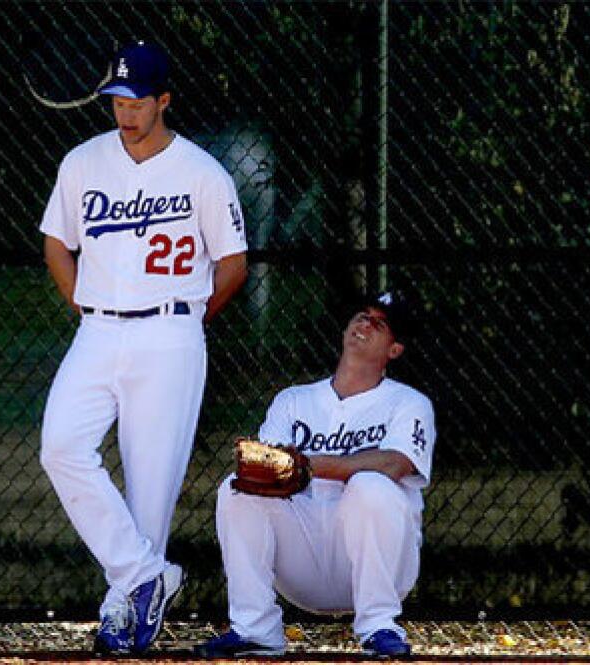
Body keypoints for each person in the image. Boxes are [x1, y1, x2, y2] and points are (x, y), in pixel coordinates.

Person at [37, 40, 248, 655]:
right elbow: (57, 242)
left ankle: (124, 608)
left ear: (163, 101)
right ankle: (144, 576)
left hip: (170, 330)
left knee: (149, 489)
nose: (124, 113)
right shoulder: (83, 161)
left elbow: (232, 263)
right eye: (116, 101)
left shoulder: (203, 172)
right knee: (61, 446)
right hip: (98, 328)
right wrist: (83, 304)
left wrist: (187, 321)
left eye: (136, 101)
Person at [196, 292, 436, 659]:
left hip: (377, 563)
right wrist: (269, 466)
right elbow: (266, 470)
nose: (365, 323)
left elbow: (395, 464)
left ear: (395, 350)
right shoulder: (293, 401)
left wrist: (309, 465)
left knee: (371, 484)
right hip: (303, 559)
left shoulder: (408, 403)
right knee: (237, 489)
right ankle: (254, 629)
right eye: (362, 315)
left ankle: (379, 626)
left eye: (380, 323)